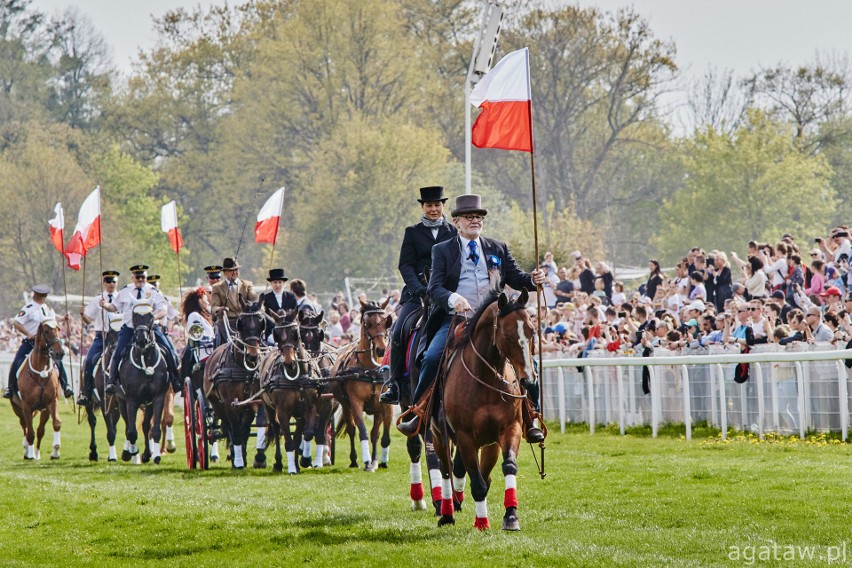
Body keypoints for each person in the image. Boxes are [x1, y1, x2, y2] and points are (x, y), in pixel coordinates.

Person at [396, 194, 546, 442]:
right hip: (456, 318)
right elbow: (435, 287)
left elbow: (516, 277)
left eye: (478, 217)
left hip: (494, 320)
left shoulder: (498, 247)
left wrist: (532, 280)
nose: (475, 220)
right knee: (432, 357)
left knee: (527, 360)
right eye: (469, 217)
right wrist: (453, 299)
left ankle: (532, 416)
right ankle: (419, 412)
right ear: (456, 222)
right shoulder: (442, 250)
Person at [381, 185, 456, 405]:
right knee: (399, 329)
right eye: (429, 205)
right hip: (417, 294)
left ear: (443, 206)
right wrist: (418, 288)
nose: (434, 209)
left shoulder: (452, 232)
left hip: (446, 293)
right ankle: (394, 384)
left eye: (437, 205)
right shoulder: (412, 232)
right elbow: (405, 265)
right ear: (423, 207)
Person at [104, 265, 182, 394]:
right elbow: (114, 307)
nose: (140, 279)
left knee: (169, 351)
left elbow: (163, 310)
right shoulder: (125, 291)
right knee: (117, 352)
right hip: (129, 329)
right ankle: (112, 381)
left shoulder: (154, 291)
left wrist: (152, 318)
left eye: (143, 277)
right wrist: (105, 305)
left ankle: (174, 380)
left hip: (150, 328)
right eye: (137, 277)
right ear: (132, 277)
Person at [3, 285, 73, 399]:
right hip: (30, 342)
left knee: (58, 361)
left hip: (45, 344)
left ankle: (66, 386)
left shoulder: (46, 307)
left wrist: (62, 318)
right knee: (17, 361)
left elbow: (52, 318)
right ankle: (10, 388)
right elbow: (16, 322)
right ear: (42, 297)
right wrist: (28, 334)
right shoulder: (28, 308)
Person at [77, 270, 120, 405]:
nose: (111, 284)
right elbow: (89, 320)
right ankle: (86, 393)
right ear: (103, 282)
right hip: (102, 337)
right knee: (89, 360)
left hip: (119, 337)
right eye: (108, 281)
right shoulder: (97, 299)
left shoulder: (122, 298)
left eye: (113, 281)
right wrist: (83, 314)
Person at [209, 257, 258, 342]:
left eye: (236, 270)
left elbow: (254, 299)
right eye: (231, 270)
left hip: (244, 322)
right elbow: (214, 307)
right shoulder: (217, 287)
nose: (235, 272)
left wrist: (255, 300)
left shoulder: (247, 285)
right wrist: (219, 310)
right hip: (226, 323)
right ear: (225, 272)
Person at [260, 268, 298, 343]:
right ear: (271, 283)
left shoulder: (291, 296)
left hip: (289, 330)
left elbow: (295, 314)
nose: (278, 285)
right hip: (272, 331)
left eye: (280, 282)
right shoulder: (266, 298)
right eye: (275, 282)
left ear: (284, 283)